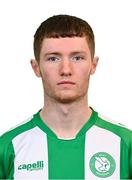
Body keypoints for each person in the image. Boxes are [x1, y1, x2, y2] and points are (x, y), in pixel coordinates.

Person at [0, 14, 132, 180]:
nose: (66, 70)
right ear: (36, 67)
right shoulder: (8, 146)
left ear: (93, 65)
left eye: (77, 58)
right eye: (53, 58)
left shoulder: (125, 144)